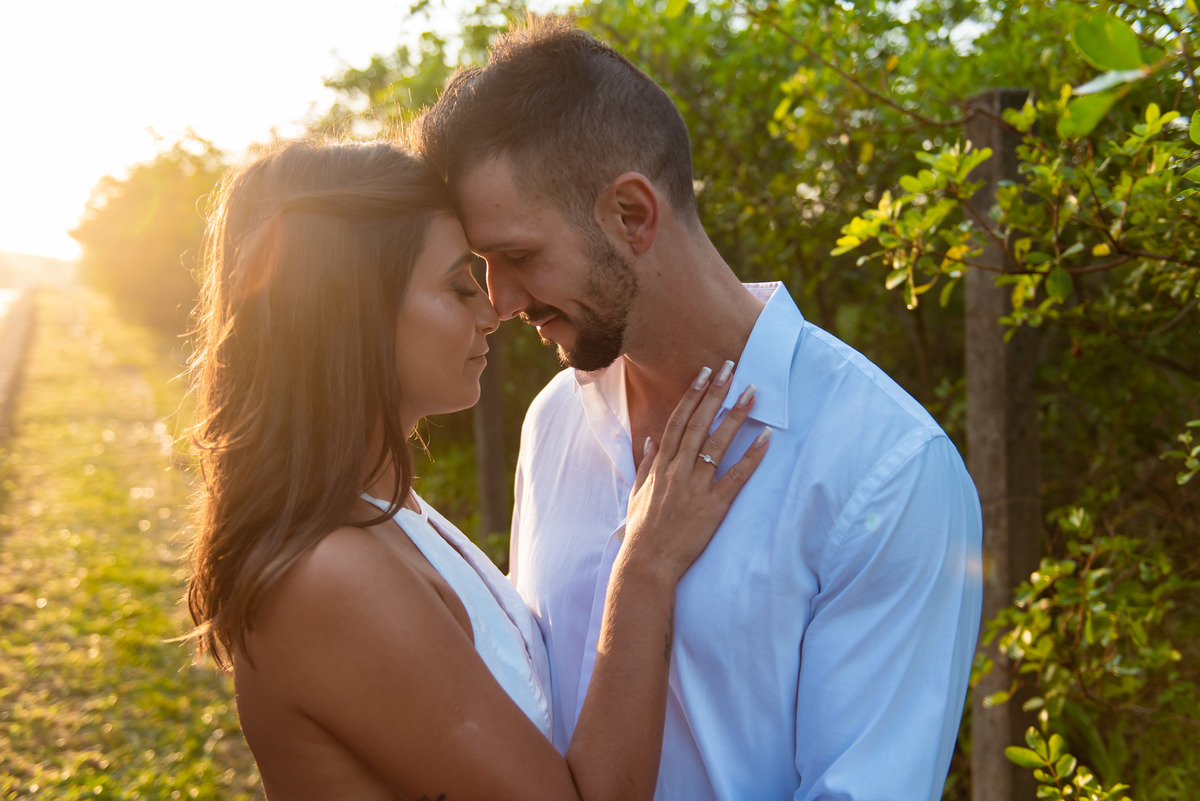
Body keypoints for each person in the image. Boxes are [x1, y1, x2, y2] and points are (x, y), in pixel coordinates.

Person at [413, 14, 984, 801]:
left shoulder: (886, 470)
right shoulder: (553, 422)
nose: (501, 300)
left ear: (633, 215)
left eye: (517, 257)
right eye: (482, 266)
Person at [184, 138, 768, 801]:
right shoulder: (333, 578)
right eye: (459, 284)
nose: (493, 313)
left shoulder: (394, 513)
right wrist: (647, 566)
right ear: (356, 313)